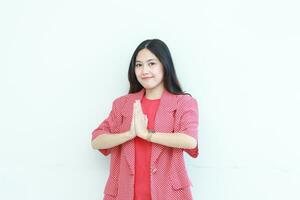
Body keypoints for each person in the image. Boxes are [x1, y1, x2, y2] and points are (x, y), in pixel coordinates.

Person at [91, 39, 199, 200]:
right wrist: (129, 134)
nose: (144, 70)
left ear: (165, 65)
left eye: (151, 63)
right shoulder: (122, 104)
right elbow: (97, 141)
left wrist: (147, 134)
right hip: (124, 193)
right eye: (139, 65)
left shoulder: (183, 102)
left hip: (169, 193)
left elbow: (190, 140)